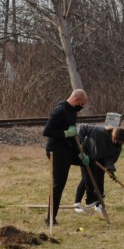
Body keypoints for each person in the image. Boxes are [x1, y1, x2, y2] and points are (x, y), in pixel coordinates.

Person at [42, 88, 89, 226]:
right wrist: (65, 134)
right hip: (56, 152)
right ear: (76, 99)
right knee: (58, 185)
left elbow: (73, 136)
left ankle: (92, 199)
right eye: (81, 104)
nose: (82, 107)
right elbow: (47, 131)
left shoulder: (72, 112)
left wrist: (80, 153)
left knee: (90, 163)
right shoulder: (60, 111)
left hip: (68, 150)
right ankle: (50, 219)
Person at [74, 124, 124, 212]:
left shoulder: (117, 147)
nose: (120, 144)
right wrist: (79, 141)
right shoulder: (99, 132)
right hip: (87, 155)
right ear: (114, 137)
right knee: (86, 179)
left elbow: (110, 158)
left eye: (122, 143)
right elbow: (83, 127)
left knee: (99, 180)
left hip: (100, 159)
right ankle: (77, 204)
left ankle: (98, 205)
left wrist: (110, 169)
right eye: (119, 141)